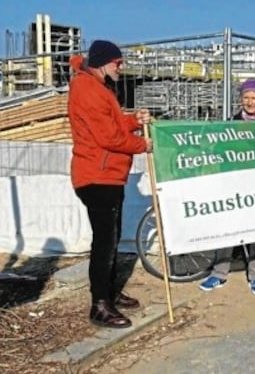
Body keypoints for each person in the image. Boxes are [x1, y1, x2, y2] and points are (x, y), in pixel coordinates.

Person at [68, 40, 153, 328]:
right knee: (105, 240)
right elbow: (108, 138)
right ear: (104, 62)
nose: (121, 67)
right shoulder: (87, 89)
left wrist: (132, 121)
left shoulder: (97, 87)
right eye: (118, 63)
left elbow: (113, 126)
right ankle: (99, 305)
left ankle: (109, 293)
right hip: (97, 175)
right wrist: (144, 144)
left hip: (107, 173)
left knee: (112, 237)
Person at [199, 79, 255, 296]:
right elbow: (221, 148)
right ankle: (219, 273)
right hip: (234, 182)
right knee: (228, 227)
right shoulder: (231, 122)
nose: (250, 102)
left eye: (254, 98)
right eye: (246, 98)